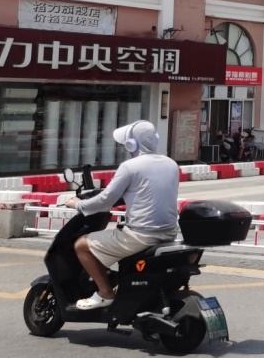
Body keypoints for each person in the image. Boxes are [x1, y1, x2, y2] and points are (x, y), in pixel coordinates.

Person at [64, 121, 180, 310]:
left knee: (81, 245)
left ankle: (105, 293)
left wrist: (79, 204)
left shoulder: (129, 167)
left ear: (131, 144)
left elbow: (106, 199)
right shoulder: (171, 164)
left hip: (140, 236)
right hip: (168, 233)